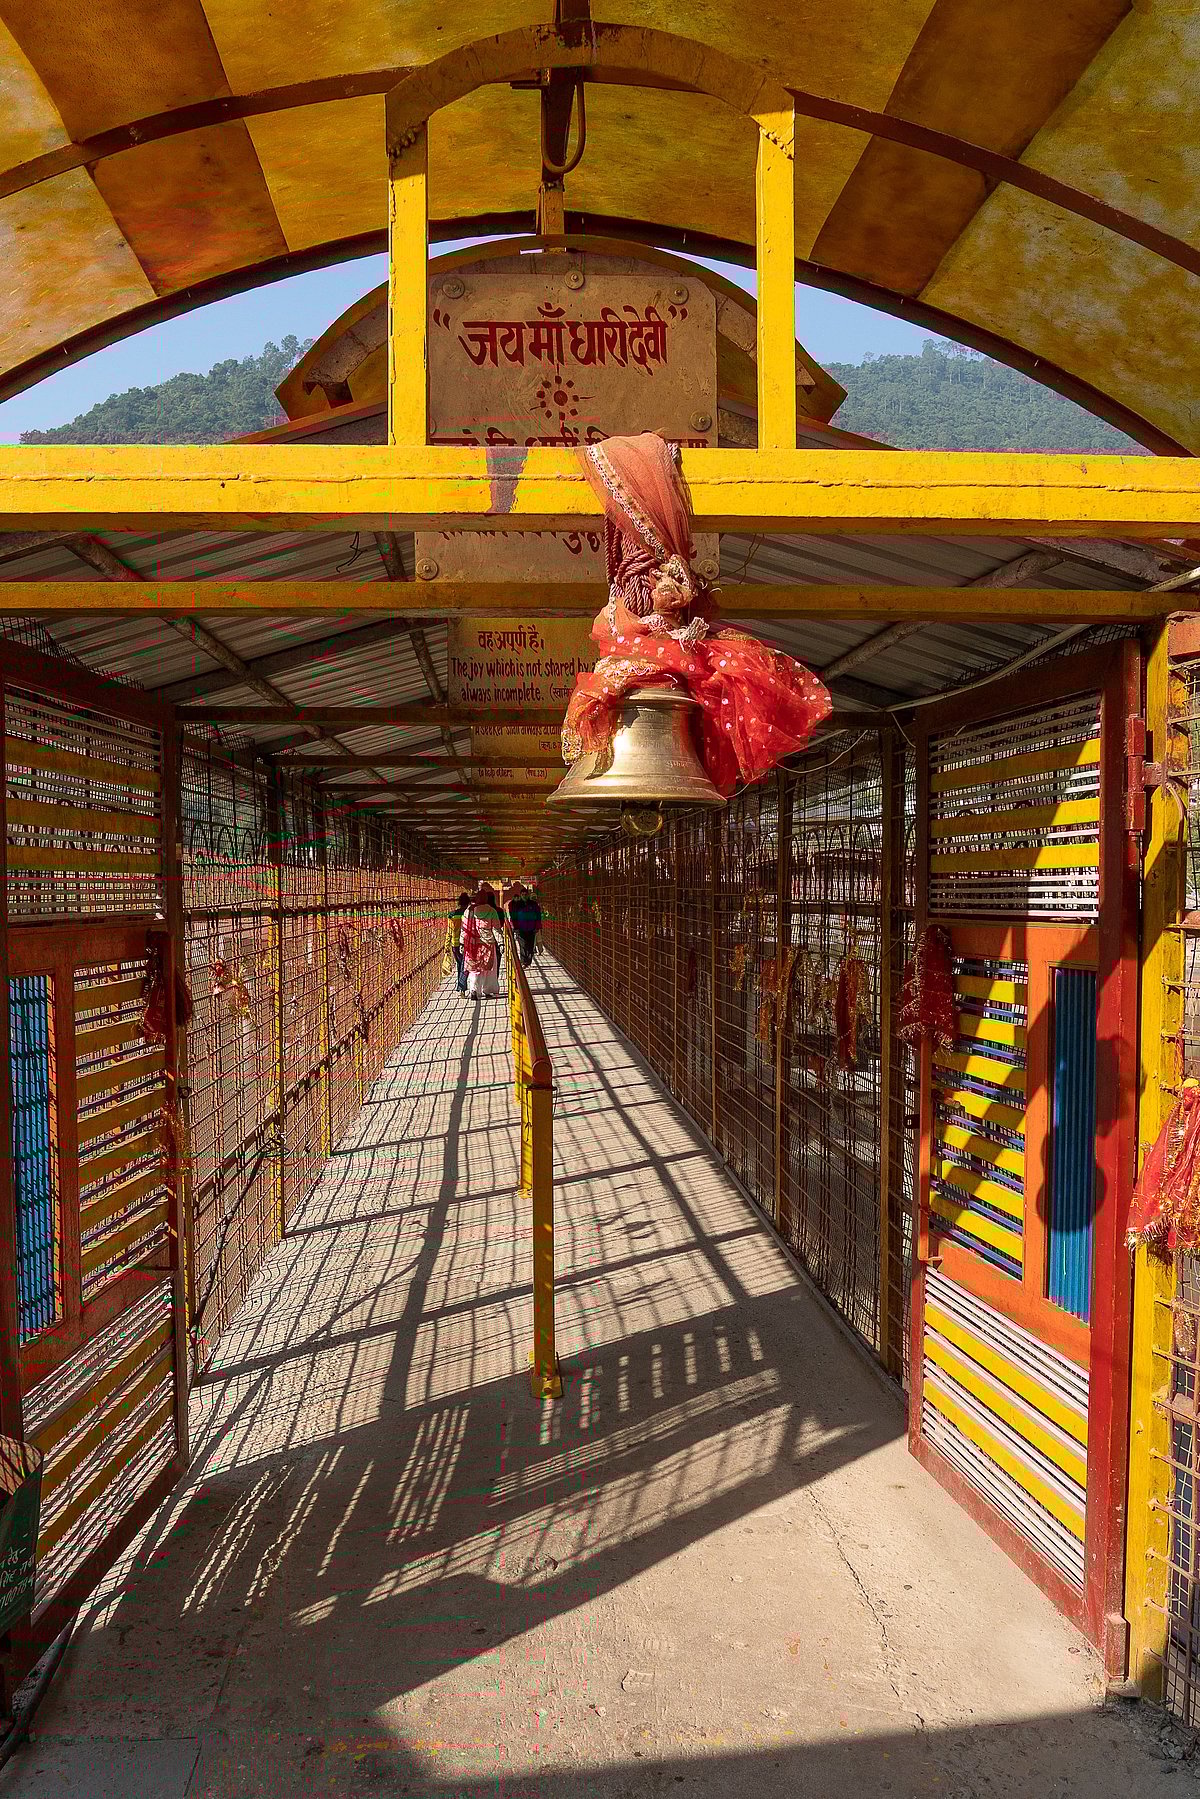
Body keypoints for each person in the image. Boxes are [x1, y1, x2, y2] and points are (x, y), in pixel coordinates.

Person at [462, 884, 504, 1000]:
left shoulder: (469, 911)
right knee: (488, 969)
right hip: (488, 944)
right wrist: (501, 943)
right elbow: (496, 929)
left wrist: (462, 943)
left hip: (472, 944)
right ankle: (488, 990)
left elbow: (464, 929)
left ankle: (474, 989)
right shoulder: (492, 911)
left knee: (474, 968)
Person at [507, 883, 543, 968]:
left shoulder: (533, 904)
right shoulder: (517, 905)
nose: (524, 896)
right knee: (522, 945)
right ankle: (523, 961)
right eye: (522, 894)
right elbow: (513, 916)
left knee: (530, 946)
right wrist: (515, 927)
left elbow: (538, 916)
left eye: (525, 894)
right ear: (520, 895)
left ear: (528, 895)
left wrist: (537, 927)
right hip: (521, 928)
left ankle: (528, 961)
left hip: (531, 928)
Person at [444, 892, 471, 996]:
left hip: (455, 944)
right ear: (468, 902)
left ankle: (461, 988)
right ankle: (461, 988)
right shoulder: (470, 913)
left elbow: (449, 931)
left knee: (461, 964)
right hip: (467, 943)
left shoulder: (452, 915)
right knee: (465, 965)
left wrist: (446, 945)